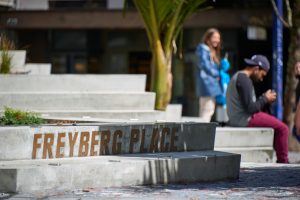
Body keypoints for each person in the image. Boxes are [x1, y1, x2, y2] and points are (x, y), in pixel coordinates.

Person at [226, 54, 289, 163]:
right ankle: (284, 162)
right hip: (244, 119)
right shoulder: (244, 79)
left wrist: (263, 99)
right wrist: (265, 99)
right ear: (256, 69)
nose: (261, 79)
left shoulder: (239, 76)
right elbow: (250, 108)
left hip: (239, 117)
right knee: (283, 129)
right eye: (262, 74)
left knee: (276, 126)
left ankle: (280, 158)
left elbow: (248, 104)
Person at [195, 28, 223, 122]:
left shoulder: (209, 50)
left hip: (209, 85)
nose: (217, 40)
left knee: (206, 110)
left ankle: (201, 132)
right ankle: (203, 132)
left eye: (218, 38)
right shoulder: (203, 48)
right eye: (214, 37)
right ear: (208, 38)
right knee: (208, 110)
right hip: (208, 85)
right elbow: (204, 65)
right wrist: (217, 73)